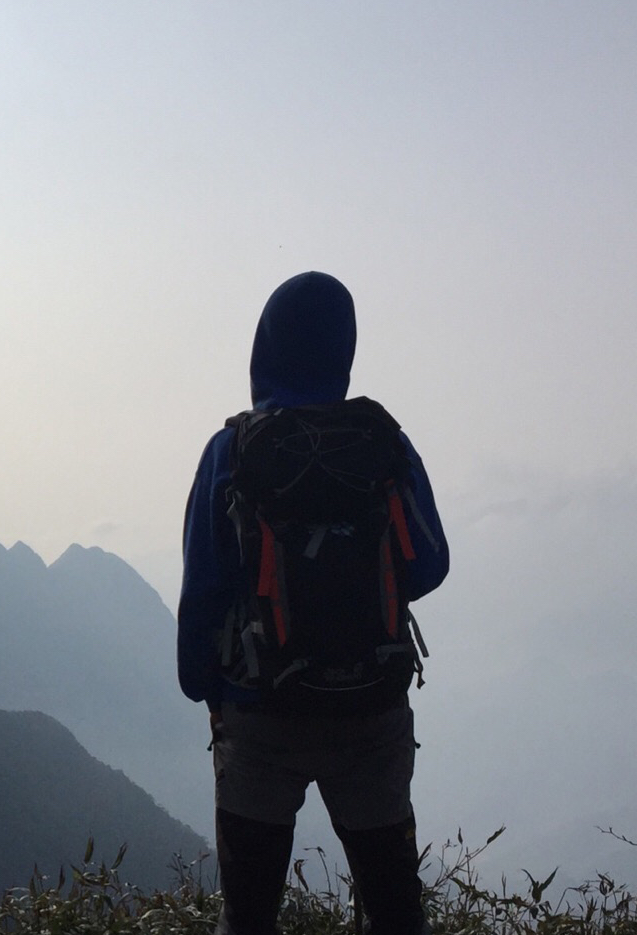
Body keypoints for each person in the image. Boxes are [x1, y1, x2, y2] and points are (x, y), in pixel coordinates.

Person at [177, 271, 449, 935]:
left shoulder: (232, 451)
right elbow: (429, 562)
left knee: (248, 915)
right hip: (369, 711)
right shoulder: (382, 444)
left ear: (263, 347)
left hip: (258, 712)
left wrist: (205, 689)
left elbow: (204, 587)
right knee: (392, 910)